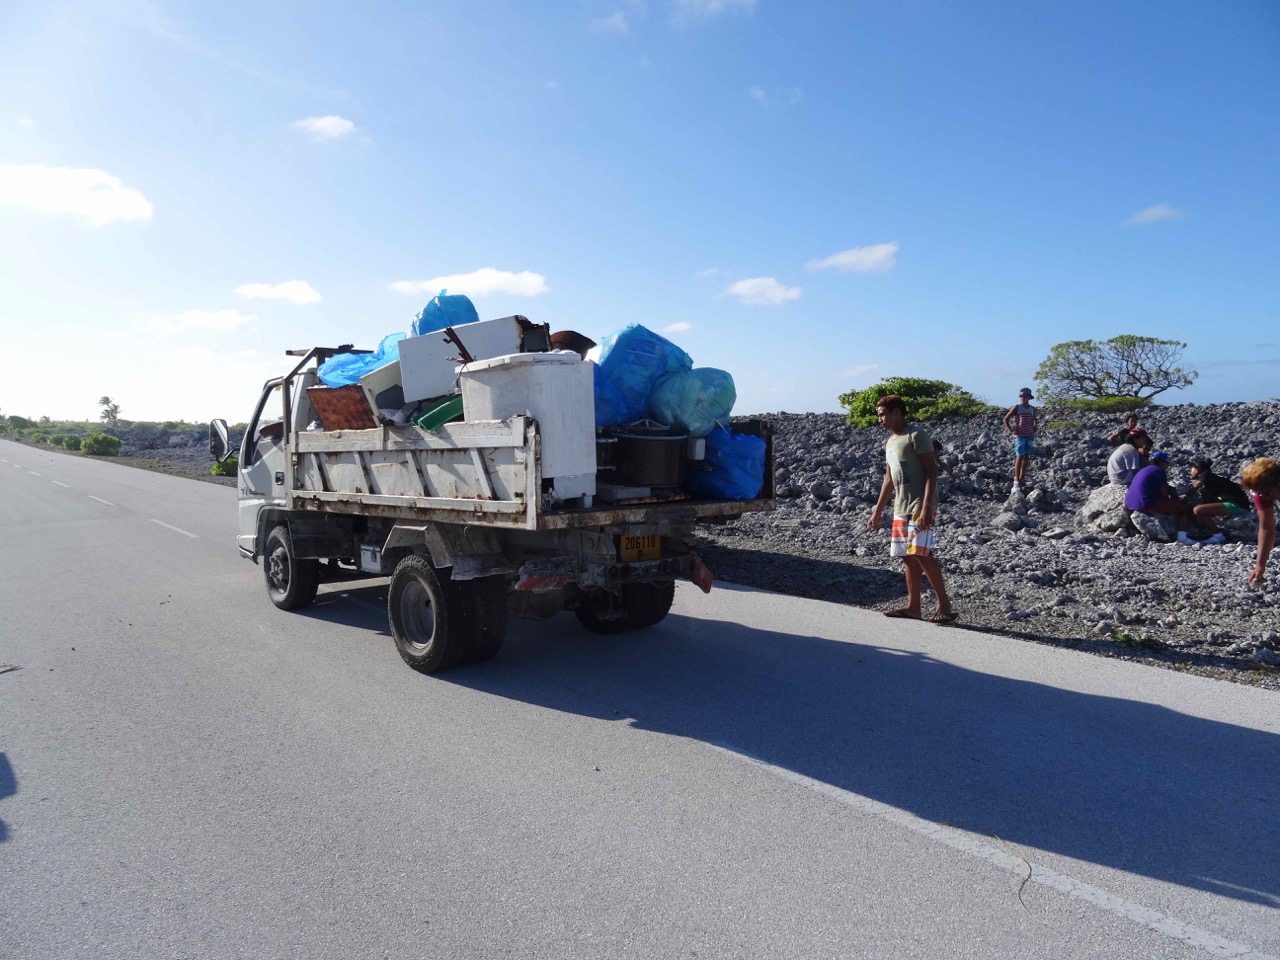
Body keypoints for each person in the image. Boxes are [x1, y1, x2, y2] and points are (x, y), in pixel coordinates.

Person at [869, 395, 955, 623]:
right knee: (907, 556)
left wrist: (926, 507)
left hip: (919, 504)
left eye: (883, 414)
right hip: (901, 505)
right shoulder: (890, 442)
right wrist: (878, 510)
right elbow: (889, 480)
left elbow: (931, 471)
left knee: (921, 552)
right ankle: (913, 607)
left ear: (897, 412)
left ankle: (944, 604)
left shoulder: (916, 435)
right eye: (879, 415)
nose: (880, 419)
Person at [1125, 451, 1196, 545]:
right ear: (1161, 462)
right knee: (1185, 508)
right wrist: (1174, 502)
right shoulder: (1159, 471)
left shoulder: (1144, 469)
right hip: (1146, 504)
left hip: (1130, 503)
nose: (1168, 466)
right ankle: (1182, 537)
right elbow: (1164, 492)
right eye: (1167, 463)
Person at [1186, 458, 1247, 539]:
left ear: (1197, 470)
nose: (1190, 471)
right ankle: (1211, 529)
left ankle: (1217, 535)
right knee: (1203, 496)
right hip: (1236, 503)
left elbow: (1193, 490)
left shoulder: (1206, 475)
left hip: (1236, 504)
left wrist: (1182, 502)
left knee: (1197, 510)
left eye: (1192, 469)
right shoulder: (1211, 480)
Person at [1242, 458, 1280, 586]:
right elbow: (1266, 527)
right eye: (1259, 493)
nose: (1264, 498)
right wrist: (1260, 564)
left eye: (1267, 493)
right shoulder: (1261, 492)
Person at [1001, 387, 1037, 488]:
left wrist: (1035, 426)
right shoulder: (1017, 407)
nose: (1022, 398)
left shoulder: (1032, 409)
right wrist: (1011, 430)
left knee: (1026, 456)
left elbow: (1034, 419)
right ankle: (1016, 480)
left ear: (1028, 397)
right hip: (1020, 436)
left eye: (1024, 396)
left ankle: (1022, 478)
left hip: (1029, 435)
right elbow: (1006, 419)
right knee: (1020, 456)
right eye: (1021, 396)